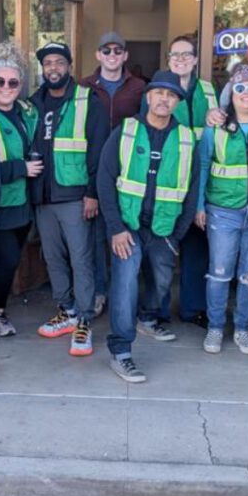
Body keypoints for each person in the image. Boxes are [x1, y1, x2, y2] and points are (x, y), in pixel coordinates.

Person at [98, 70, 199, 382]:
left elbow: (192, 189)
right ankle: (121, 351)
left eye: (170, 95)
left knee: (161, 281)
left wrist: (177, 235)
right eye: (159, 93)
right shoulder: (126, 130)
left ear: (177, 102)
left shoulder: (186, 138)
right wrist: (115, 228)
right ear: (148, 97)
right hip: (127, 226)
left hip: (164, 230)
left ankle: (147, 317)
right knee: (125, 283)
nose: (164, 99)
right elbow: (104, 179)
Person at [29, 42, 110, 356]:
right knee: (52, 258)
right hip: (43, 195)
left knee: (81, 258)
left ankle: (85, 319)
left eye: (59, 62)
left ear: (69, 66)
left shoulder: (88, 100)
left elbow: (99, 151)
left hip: (76, 195)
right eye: (47, 62)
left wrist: (92, 193)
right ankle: (67, 310)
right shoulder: (34, 102)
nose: (53, 68)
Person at [195, 65, 248, 355]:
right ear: (231, 93)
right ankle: (215, 328)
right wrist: (199, 205)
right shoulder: (215, 125)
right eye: (240, 88)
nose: (247, 94)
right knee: (219, 272)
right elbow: (203, 165)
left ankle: (242, 328)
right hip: (223, 209)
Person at [148, 35, 222, 328]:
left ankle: (193, 309)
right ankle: (158, 311)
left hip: (200, 179)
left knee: (196, 250)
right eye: (174, 54)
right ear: (168, 60)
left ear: (194, 59)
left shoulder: (209, 90)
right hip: (168, 182)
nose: (180, 59)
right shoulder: (159, 90)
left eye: (185, 54)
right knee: (162, 250)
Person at [79, 31, 147, 317]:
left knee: (126, 232)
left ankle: (127, 295)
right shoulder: (83, 87)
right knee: (95, 237)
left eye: (117, 51)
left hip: (129, 169)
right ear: (98, 55)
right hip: (93, 166)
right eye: (106, 51)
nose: (111, 56)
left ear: (125, 55)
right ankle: (99, 291)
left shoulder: (140, 87)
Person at [0, 41, 39, 339]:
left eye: (13, 82)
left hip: (21, 203)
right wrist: (20, 168)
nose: (6, 87)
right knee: (7, 259)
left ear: (21, 84)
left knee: (8, 260)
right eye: (0, 81)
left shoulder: (27, 113)